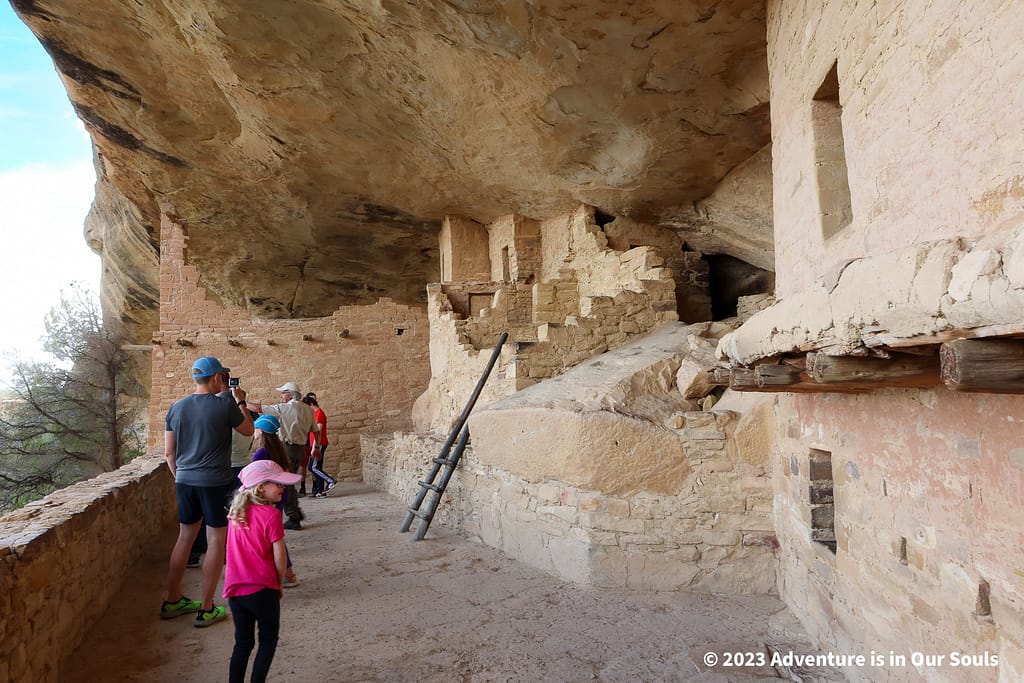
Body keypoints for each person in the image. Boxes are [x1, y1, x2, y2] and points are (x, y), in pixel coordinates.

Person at [161, 356, 253, 627]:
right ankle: (206, 607)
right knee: (215, 541)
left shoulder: (176, 407)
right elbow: (248, 430)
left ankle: (173, 599)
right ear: (216, 378)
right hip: (214, 482)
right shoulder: (224, 405)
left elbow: (169, 453)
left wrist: (181, 477)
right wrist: (240, 400)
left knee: (184, 539)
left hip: (185, 481)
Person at [224, 459, 301, 683]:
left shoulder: (236, 515)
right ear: (261, 488)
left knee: (243, 642)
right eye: (277, 483)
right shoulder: (271, 515)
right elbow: (280, 555)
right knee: (267, 640)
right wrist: (278, 583)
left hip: (236, 590)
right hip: (262, 589)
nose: (282, 488)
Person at [248, 382, 314, 530]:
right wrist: (316, 447)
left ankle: (293, 516)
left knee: (285, 483)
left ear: (290, 394)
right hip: (300, 449)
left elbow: (259, 408)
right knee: (288, 481)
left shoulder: (285, 408)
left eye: (283, 393)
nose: (281, 396)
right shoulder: (307, 409)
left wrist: (240, 401)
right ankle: (294, 512)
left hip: (287, 448)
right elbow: (314, 429)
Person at [251, 414, 300, 588]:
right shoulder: (279, 449)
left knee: (271, 538)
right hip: (279, 496)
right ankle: (288, 573)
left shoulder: (262, 453)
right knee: (275, 536)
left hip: (268, 499)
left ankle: (287, 574)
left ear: (262, 431)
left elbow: (256, 477)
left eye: (256, 428)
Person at [303, 393, 336, 497]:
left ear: (311, 404)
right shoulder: (314, 414)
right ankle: (320, 491)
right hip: (316, 444)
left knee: (313, 468)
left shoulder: (319, 413)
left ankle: (331, 481)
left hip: (319, 444)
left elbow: (319, 432)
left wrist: (315, 447)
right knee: (317, 467)